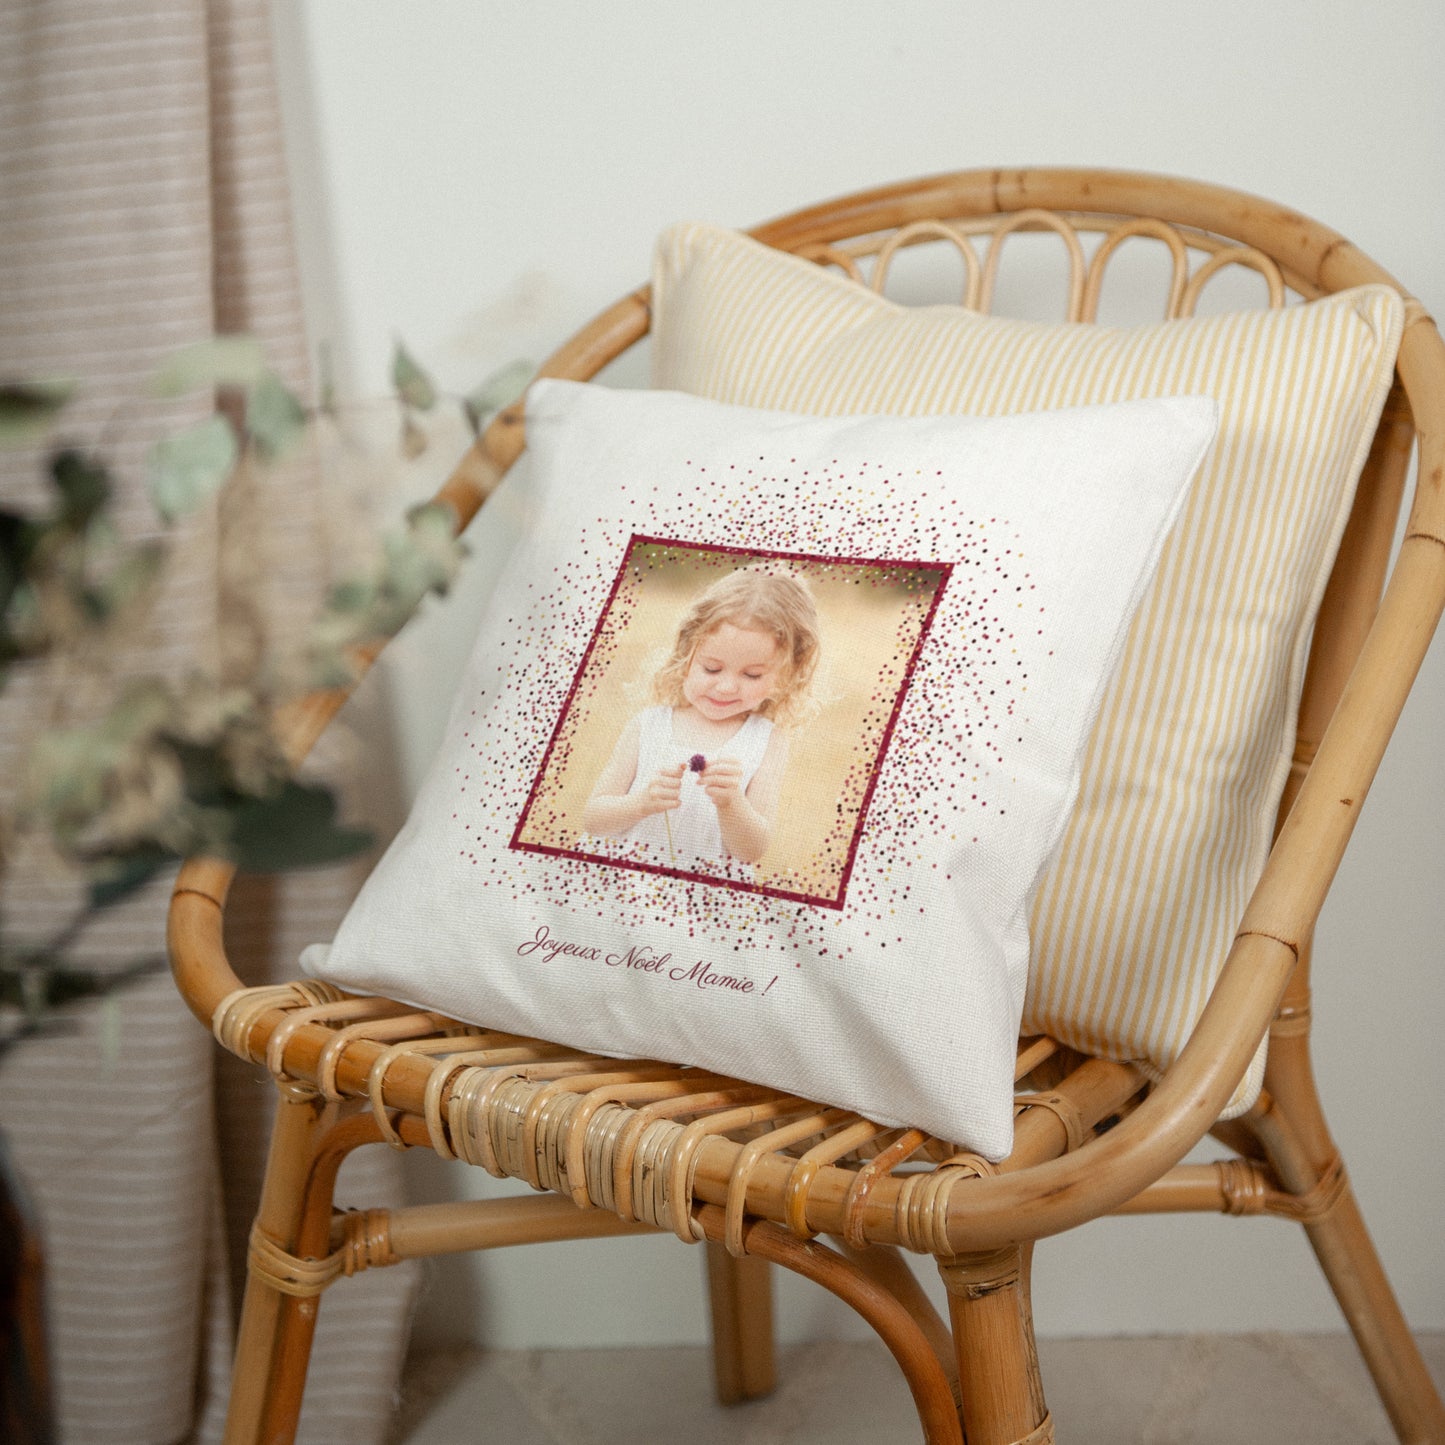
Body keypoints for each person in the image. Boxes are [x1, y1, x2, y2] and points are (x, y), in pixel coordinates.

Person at [582, 564, 820, 869]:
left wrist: (731, 803)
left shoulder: (767, 741)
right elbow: (593, 819)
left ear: (785, 676)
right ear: (687, 653)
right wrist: (639, 804)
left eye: (752, 674)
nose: (726, 686)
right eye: (712, 668)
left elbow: (752, 851)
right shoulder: (648, 725)